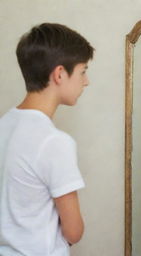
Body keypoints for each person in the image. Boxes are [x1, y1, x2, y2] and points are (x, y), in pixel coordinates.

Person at [0, 23, 94, 255]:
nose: (86, 81)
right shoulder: (54, 142)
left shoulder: (4, 125)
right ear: (60, 74)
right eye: (83, 71)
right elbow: (74, 231)